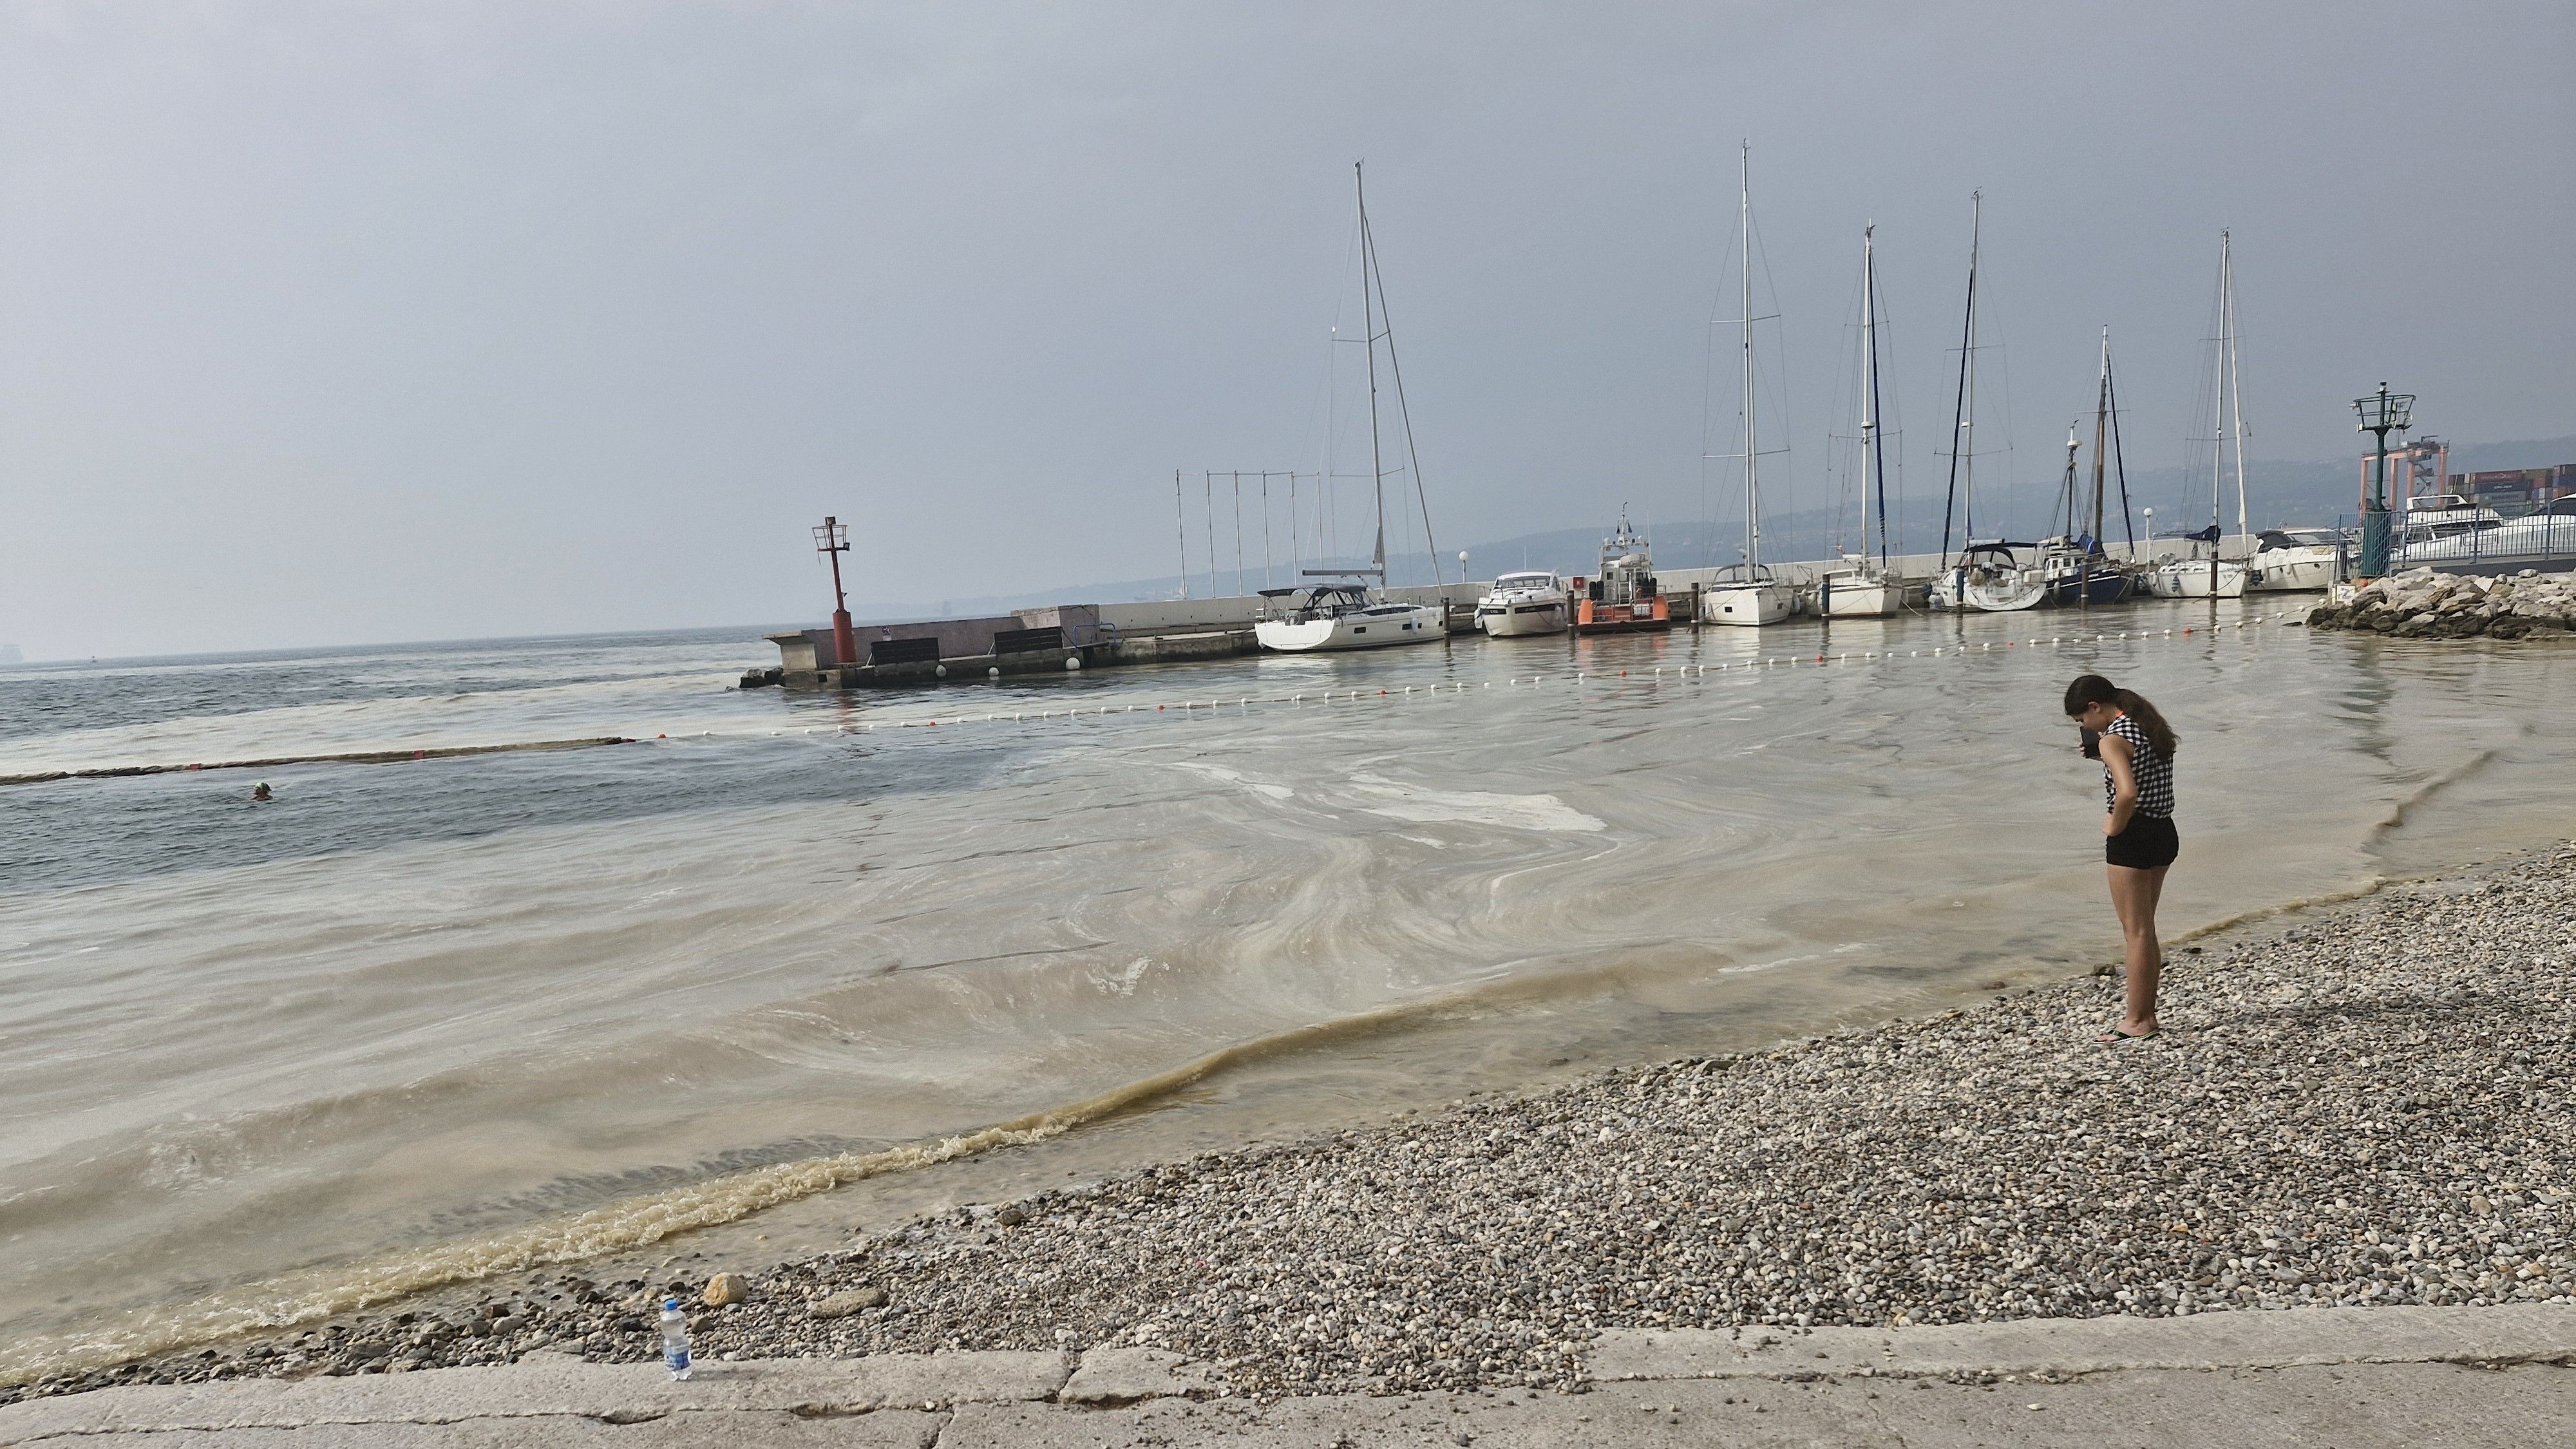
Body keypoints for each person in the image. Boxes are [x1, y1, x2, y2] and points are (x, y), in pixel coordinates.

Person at [2063, 674, 2179, 1042]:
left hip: (2133, 836)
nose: (2084, 727)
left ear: (2095, 707)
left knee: (2137, 932)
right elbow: (2144, 769)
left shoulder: (2113, 738)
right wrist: (2102, 750)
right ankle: (2145, 1015)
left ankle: (2138, 1020)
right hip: (2163, 831)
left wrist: (2114, 824)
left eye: (2082, 720)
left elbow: (2127, 793)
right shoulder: (2146, 725)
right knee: (2144, 930)